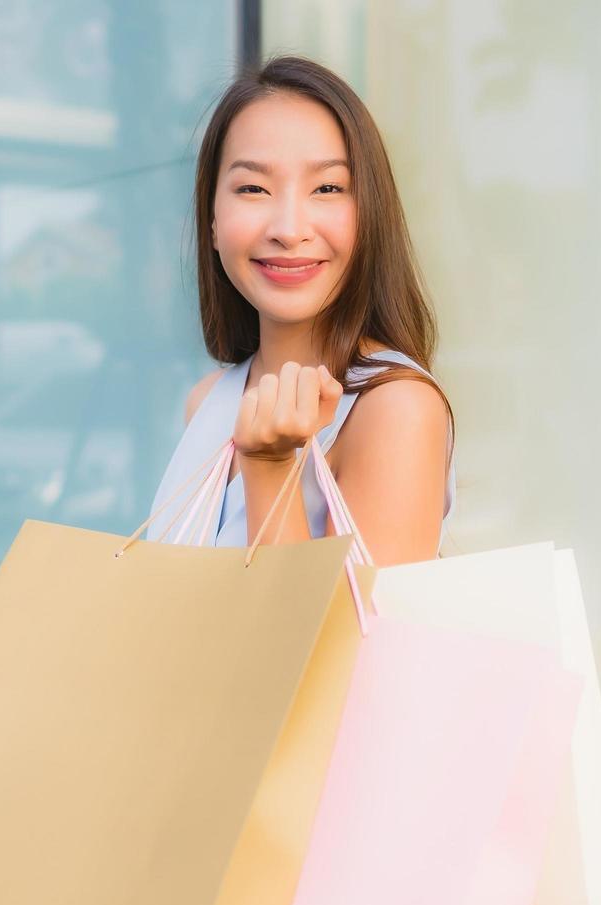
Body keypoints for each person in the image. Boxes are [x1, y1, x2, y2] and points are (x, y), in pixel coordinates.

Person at [150, 55, 456, 564]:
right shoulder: (207, 400)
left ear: (369, 216)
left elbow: (343, 642)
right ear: (212, 221)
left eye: (327, 188)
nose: (289, 229)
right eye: (253, 188)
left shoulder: (394, 408)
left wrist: (269, 465)